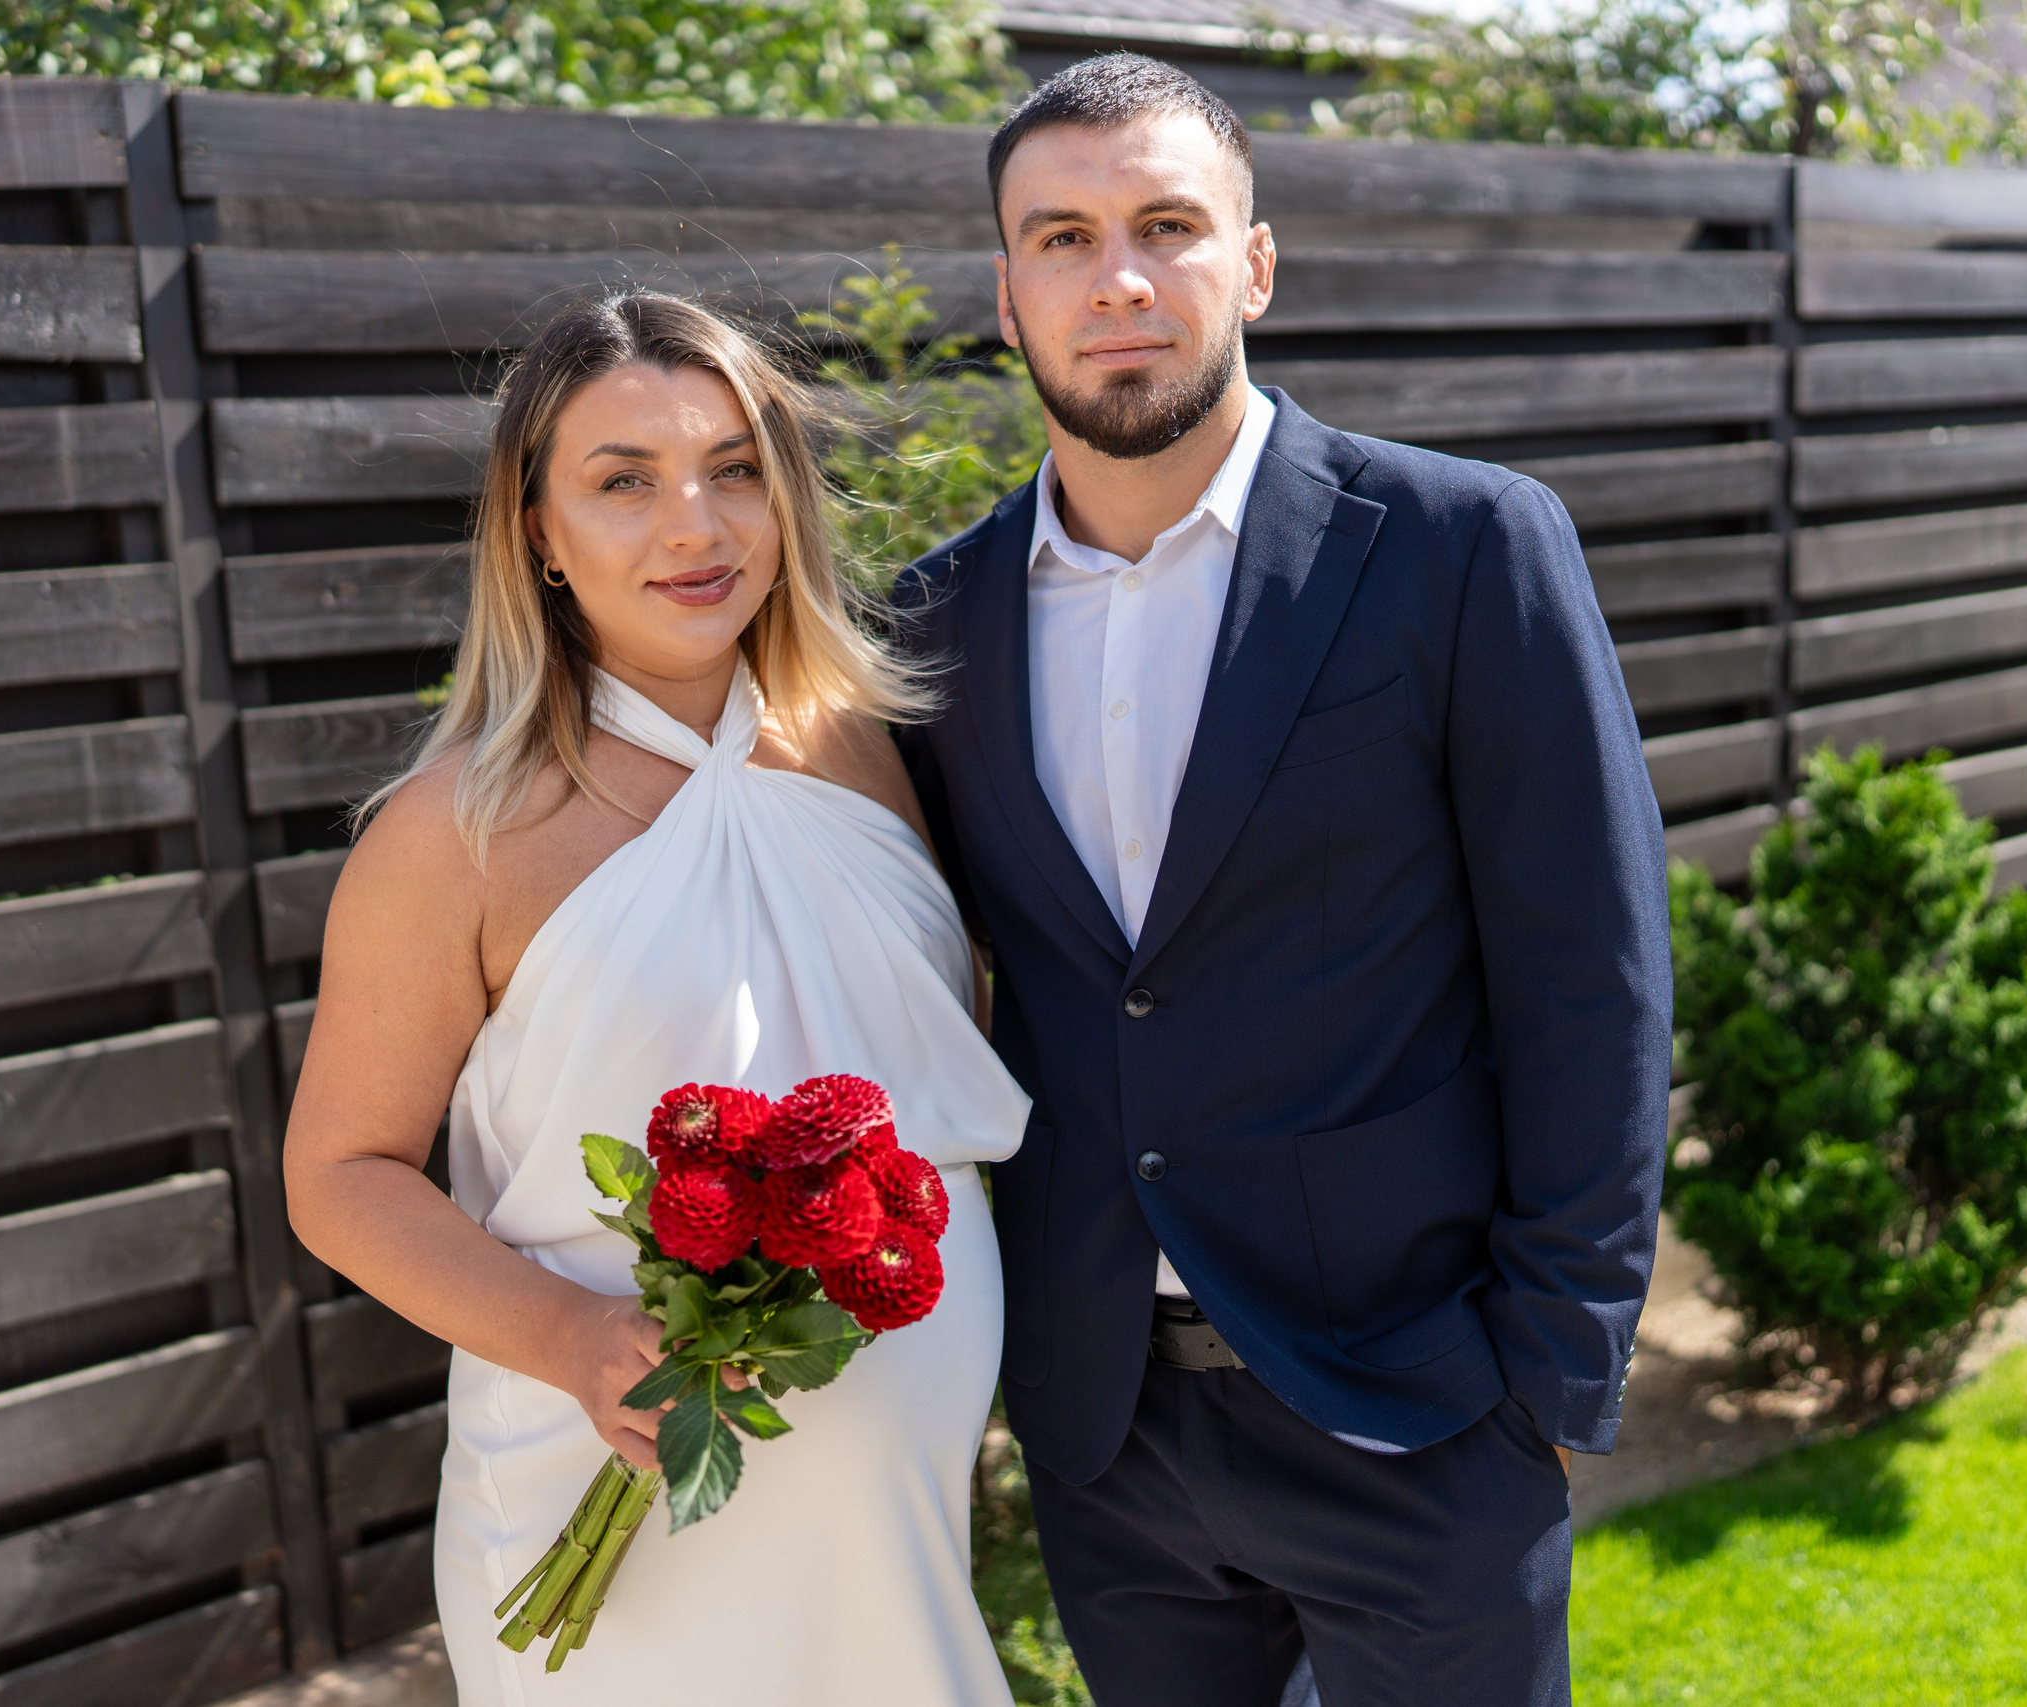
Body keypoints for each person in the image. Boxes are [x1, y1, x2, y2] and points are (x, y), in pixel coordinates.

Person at [891, 54, 1673, 1707]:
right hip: (1113, 1435)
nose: (1118, 280)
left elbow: (1591, 979)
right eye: (1063, 238)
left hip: (1423, 1406)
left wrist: (1549, 1371)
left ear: (1253, 260)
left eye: (1167, 225)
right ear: (1008, 292)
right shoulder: (932, 623)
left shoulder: (1463, 547)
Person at [283, 291, 1027, 1706]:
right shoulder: (456, 835)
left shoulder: (863, 752)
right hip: (613, 1517)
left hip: (897, 1529)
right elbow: (338, 1174)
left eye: (734, 468)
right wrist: (575, 1342)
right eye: (624, 482)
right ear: (540, 535)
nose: (696, 526)